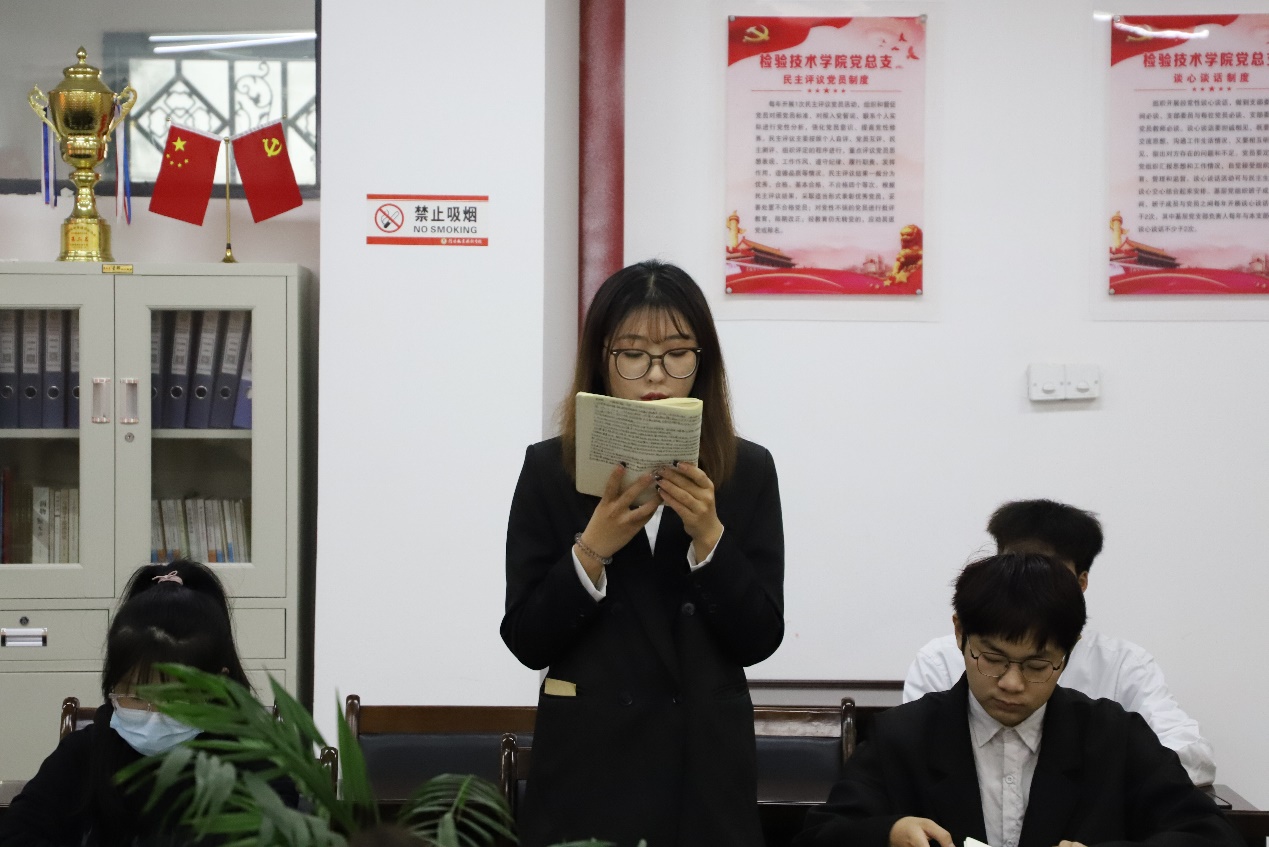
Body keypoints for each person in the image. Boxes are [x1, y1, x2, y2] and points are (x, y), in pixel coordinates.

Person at [501, 259, 785, 847]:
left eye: (677, 353)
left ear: (703, 361)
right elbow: (526, 640)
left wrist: (710, 538)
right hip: (590, 767)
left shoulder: (746, 470)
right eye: (633, 354)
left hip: (702, 770)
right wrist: (591, 551)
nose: (656, 374)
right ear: (601, 359)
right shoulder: (550, 470)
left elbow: (760, 638)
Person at [796, 553, 1240, 847]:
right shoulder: (905, 735)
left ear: (1070, 649)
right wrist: (889, 833)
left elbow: (1211, 836)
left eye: (1037, 665)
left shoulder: (1112, 736)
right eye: (992, 659)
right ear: (959, 632)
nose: (1011, 683)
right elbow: (823, 835)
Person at [903, 498, 1215, 785]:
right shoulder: (941, 658)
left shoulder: (1123, 664)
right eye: (993, 660)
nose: (1028, 581)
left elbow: (1194, 756)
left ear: (1081, 582)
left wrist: (1096, 777)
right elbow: (914, 758)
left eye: (1038, 665)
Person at [0, 560, 261, 847]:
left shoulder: (255, 763)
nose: (154, 714)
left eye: (174, 698)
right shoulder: (84, 753)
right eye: (135, 696)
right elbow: (18, 833)